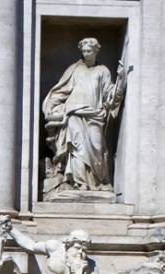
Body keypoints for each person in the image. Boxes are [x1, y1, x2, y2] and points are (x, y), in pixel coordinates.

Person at [42, 37, 126, 192]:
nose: (86, 54)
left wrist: (121, 78)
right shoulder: (75, 69)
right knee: (77, 149)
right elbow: (61, 90)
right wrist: (51, 106)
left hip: (95, 115)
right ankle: (80, 183)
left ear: (96, 51)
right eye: (84, 51)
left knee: (97, 147)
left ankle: (98, 182)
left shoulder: (103, 71)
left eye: (89, 51)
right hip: (74, 113)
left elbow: (111, 96)